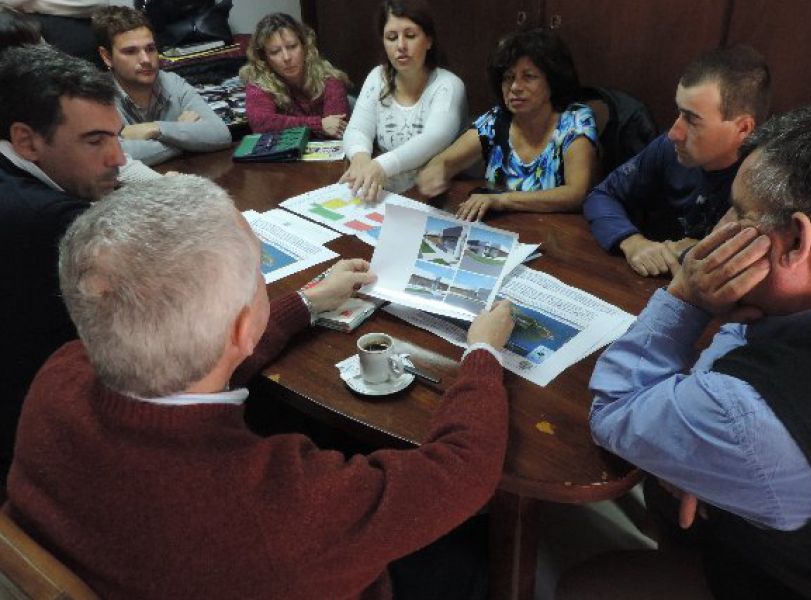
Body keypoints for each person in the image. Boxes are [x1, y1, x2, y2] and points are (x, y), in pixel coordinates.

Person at [4, 173, 517, 599]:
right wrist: (482, 352)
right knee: (467, 555)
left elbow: (198, 355)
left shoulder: (60, 373)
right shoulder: (284, 509)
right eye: (259, 271)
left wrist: (308, 302)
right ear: (242, 327)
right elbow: (463, 472)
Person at [576, 100, 811, 598]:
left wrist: (685, 294)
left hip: (791, 582)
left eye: (739, 212)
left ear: (796, 241)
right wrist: (709, 448)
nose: (718, 226)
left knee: (585, 582)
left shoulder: (754, 418)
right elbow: (737, 363)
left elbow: (616, 410)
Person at [0, 45, 125, 490]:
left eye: (118, 136)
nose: (119, 158)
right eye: (95, 141)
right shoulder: (56, 221)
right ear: (26, 140)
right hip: (42, 450)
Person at [583, 45, 770, 277]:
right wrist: (632, 242)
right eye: (680, 112)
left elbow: (763, 263)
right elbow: (603, 195)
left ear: (743, 128)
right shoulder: (669, 148)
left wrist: (690, 250)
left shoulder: (767, 181)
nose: (674, 132)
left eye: (692, 120)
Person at [418, 28, 599, 222]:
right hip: (502, 231)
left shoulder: (575, 120)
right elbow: (445, 161)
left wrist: (502, 200)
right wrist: (435, 172)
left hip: (558, 236)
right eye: (508, 78)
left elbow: (576, 194)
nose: (515, 87)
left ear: (552, 81)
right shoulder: (496, 120)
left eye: (528, 76)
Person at [341, 0, 466, 200]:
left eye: (410, 36)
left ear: (429, 40)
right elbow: (357, 129)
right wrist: (360, 158)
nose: (401, 46)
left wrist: (380, 165)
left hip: (431, 196)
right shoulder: (378, 76)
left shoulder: (448, 85)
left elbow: (434, 138)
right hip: (383, 192)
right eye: (391, 37)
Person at [91, 5, 231, 166]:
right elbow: (110, 157)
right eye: (130, 51)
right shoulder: (97, 96)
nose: (145, 59)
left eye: (150, 49)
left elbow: (220, 134)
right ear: (107, 56)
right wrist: (184, 135)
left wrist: (156, 128)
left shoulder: (173, 82)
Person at [240, 12, 350, 138]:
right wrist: (318, 125)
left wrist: (291, 128)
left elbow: (336, 128)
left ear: (305, 46)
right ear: (264, 57)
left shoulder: (330, 79)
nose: (286, 57)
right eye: (275, 52)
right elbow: (262, 124)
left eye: (292, 47)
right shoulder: (258, 84)